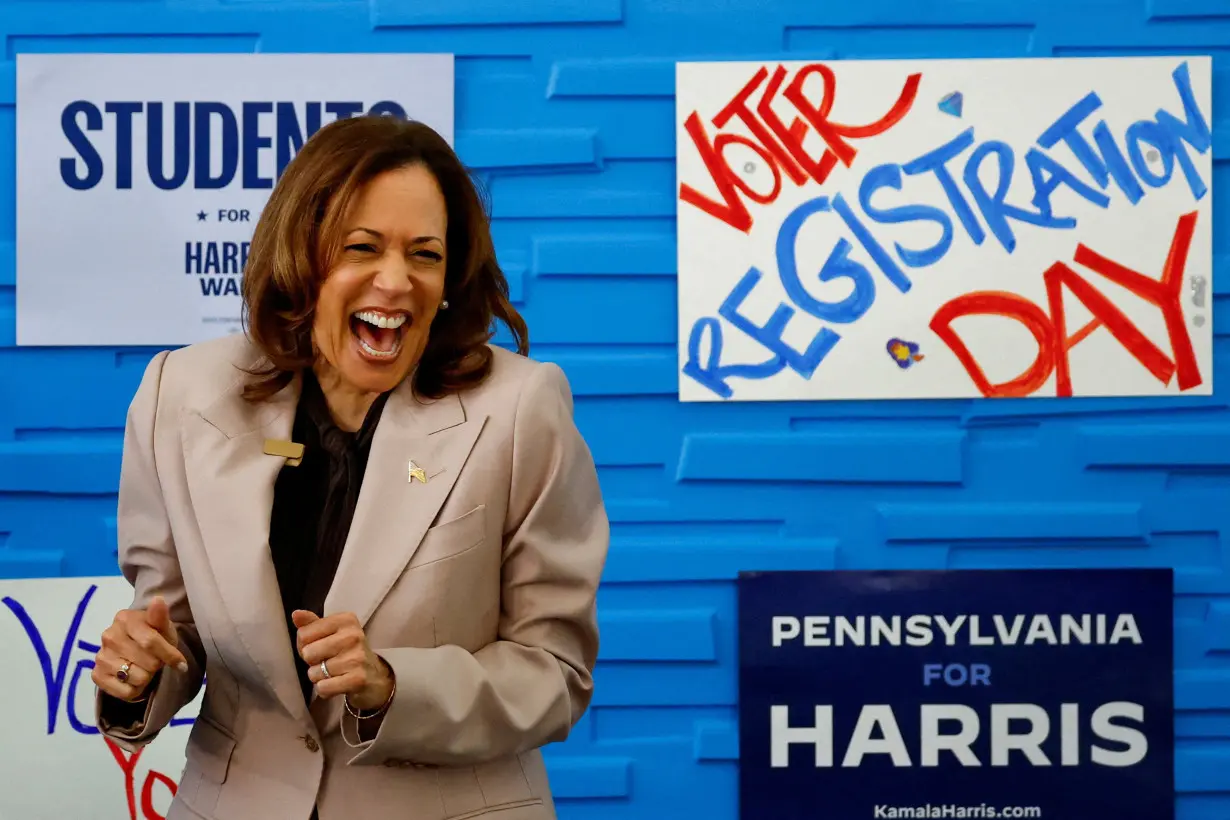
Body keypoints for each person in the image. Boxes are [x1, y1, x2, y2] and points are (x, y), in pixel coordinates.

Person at [91, 114, 610, 820]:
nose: (395, 282)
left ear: (451, 277)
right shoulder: (179, 396)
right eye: (361, 247)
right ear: (302, 259)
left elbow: (555, 671)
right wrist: (138, 671)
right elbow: (173, 625)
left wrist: (395, 685)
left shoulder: (521, 409)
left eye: (424, 255)